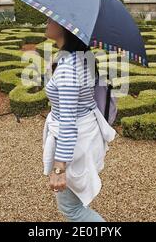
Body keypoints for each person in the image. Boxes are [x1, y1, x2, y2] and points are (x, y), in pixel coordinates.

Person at [42, 17, 116, 222]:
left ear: (66, 27)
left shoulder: (68, 66)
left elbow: (68, 122)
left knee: (72, 210)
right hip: (87, 135)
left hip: (76, 145)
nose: (46, 21)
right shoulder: (80, 57)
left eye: (51, 19)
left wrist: (59, 168)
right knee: (75, 203)